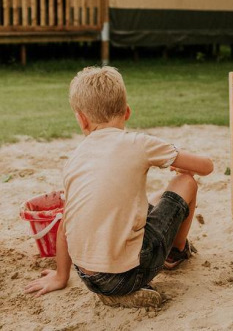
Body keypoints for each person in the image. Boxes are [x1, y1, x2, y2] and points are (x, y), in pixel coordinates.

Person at [24, 66, 213, 308]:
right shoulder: (139, 143)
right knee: (186, 182)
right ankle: (175, 254)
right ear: (127, 112)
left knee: (152, 198)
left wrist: (61, 276)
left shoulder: (74, 158)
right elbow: (206, 166)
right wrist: (184, 168)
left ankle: (115, 288)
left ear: (81, 119)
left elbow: (65, 226)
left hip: (87, 276)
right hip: (127, 274)